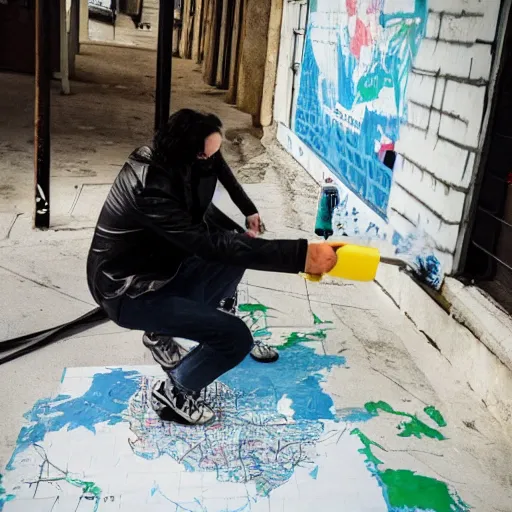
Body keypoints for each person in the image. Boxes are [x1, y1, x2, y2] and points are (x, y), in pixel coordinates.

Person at [87, 109, 338, 425]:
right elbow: (205, 243)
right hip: (128, 290)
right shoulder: (150, 186)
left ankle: (168, 329)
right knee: (235, 338)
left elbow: (221, 188)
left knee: (235, 251)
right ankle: (173, 392)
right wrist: (300, 256)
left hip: (161, 268)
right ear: (187, 152)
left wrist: (248, 212)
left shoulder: (193, 156)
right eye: (208, 155)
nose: (214, 160)